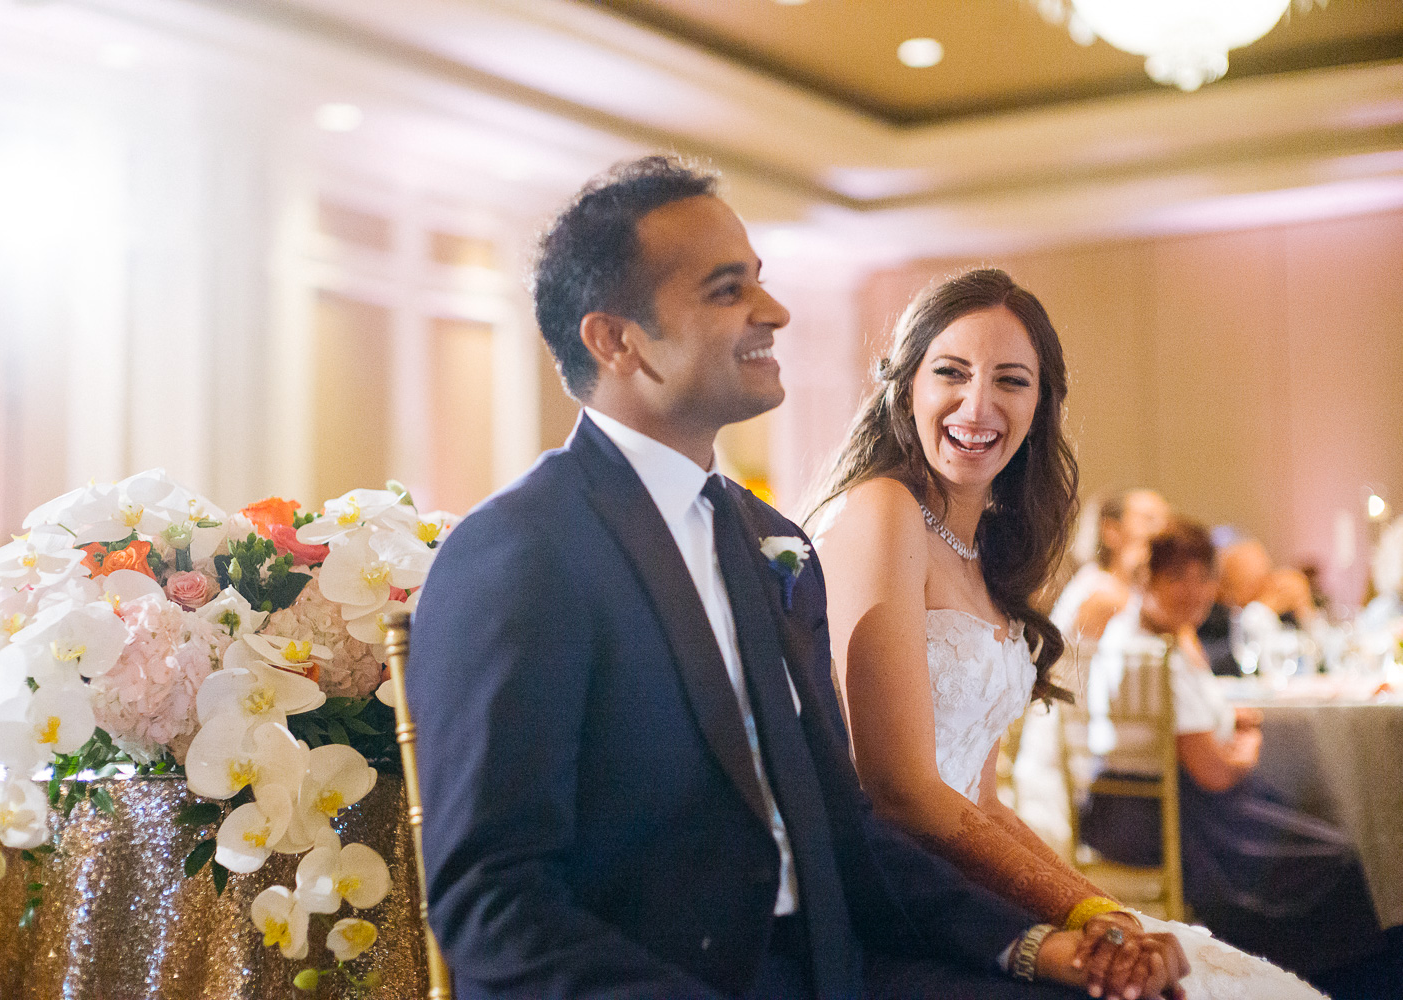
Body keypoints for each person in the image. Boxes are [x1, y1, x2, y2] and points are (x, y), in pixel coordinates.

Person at [406, 159, 1185, 1000]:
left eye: (762, 284)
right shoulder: (521, 552)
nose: (774, 312)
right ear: (616, 339)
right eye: (726, 290)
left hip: (835, 966)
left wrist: (1034, 946)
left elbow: (844, 830)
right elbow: (493, 906)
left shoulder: (768, 542)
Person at [809, 269, 1319, 999]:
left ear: (1041, 404)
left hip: (963, 881)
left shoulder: (982, 551)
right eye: (950, 372)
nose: (977, 405)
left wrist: (1112, 919)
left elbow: (979, 802)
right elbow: (904, 791)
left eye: (1011, 381)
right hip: (895, 903)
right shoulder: (883, 509)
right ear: (905, 385)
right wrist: (1086, 915)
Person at [1083, 521, 1397, 995]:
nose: (1194, 592)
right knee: (1342, 859)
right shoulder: (1153, 655)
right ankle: (1336, 984)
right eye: (1177, 579)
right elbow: (1213, 773)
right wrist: (1247, 745)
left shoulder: (1139, 635)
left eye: (1203, 579)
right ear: (1148, 581)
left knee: (1321, 836)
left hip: (1128, 808)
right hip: (1179, 820)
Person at [1051, 490, 1170, 642]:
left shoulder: (1141, 594)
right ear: (1111, 531)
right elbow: (1078, 660)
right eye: (1149, 519)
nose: (1161, 530)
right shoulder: (1101, 590)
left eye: (1166, 520)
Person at [1195, 538, 1270, 677]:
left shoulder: (1274, 609)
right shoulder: (1210, 615)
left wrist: (1304, 610)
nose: (1262, 586)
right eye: (1250, 581)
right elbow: (1213, 662)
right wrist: (1255, 614)